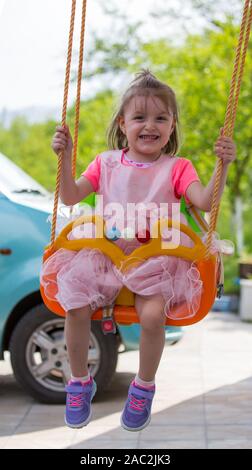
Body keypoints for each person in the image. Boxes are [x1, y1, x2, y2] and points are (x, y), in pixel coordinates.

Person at [40, 69, 236, 431]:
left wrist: (221, 166)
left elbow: (205, 202)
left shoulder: (177, 167)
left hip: (156, 260)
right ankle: (79, 381)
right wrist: (64, 157)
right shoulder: (107, 163)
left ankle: (143, 387)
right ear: (123, 123)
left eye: (161, 118)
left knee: (151, 317)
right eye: (140, 117)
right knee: (75, 304)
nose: (151, 126)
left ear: (173, 125)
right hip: (105, 256)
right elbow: (69, 196)